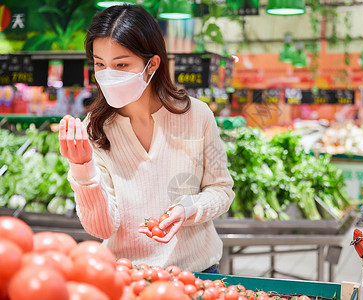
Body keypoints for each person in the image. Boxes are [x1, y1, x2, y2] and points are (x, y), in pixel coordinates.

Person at [58, 4, 235, 273]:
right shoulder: (94, 130)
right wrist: (83, 170)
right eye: (100, 65)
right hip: (128, 277)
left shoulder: (196, 115)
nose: (108, 75)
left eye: (121, 65)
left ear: (152, 64)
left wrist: (188, 210)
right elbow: (101, 228)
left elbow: (221, 190)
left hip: (197, 274)